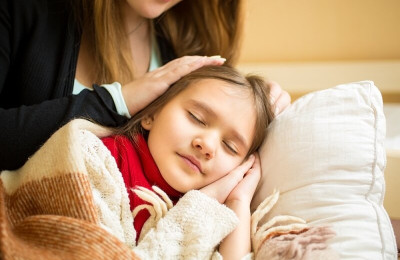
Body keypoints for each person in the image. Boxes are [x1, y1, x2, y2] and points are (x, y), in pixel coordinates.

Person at [0, 0, 290, 171]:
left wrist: (263, 105)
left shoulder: (186, 45)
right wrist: (116, 102)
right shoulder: (21, 11)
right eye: (196, 118)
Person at [101, 65, 275, 259]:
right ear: (152, 113)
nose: (208, 145)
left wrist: (238, 201)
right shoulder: (102, 158)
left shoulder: (217, 213)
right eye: (196, 118)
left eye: (230, 146)